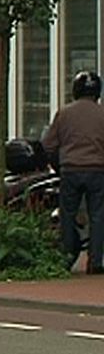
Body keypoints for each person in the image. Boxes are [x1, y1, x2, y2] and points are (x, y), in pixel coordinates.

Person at [42, 70, 104, 274]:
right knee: (98, 215)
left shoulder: (64, 113)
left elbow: (49, 145)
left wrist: (58, 165)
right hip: (97, 170)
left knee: (67, 215)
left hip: (70, 170)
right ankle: (95, 262)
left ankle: (66, 260)